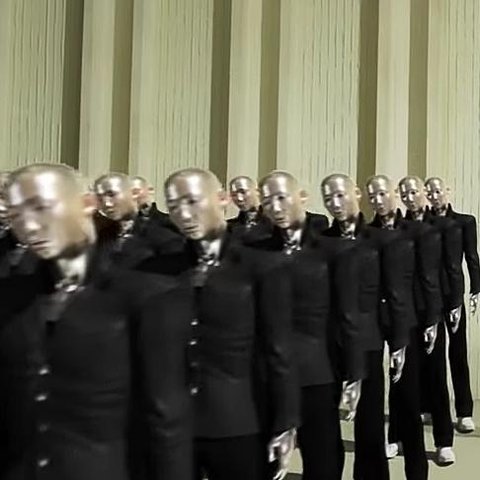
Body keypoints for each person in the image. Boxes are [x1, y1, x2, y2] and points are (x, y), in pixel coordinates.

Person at [0, 164, 193, 480]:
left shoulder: (144, 297)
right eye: (16, 214)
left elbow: (166, 416)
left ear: (87, 203)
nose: (29, 226)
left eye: (41, 207)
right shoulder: (10, 297)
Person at [164, 167, 298, 480]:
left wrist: (285, 421)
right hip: (172, 425)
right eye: (173, 206)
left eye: (192, 201)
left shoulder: (261, 267)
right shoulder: (160, 269)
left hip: (238, 421)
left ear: (222, 199)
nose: (184, 214)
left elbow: (278, 348)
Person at [243, 170, 364, 480]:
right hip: (265, 371)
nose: (275, 207)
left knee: (322, 455)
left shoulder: (334, 251)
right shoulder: (251, 251)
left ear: (302, 198)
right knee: (265, 456)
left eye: (282, 197)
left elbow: (347, 316)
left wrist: (354, 374)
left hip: (316, 372)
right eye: (267, 200)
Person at [321, 173, 412, 480]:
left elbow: (396, 293)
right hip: (328, 342)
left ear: (356, 194)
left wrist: (399, 342)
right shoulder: (320, 242)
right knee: (324, 423)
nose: (335, 203)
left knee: (370, 423)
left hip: (368, 341)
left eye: (340, 195)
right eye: (328, 198)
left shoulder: (381, 240)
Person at [366, 175, 428, 480]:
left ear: (393, 193)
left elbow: (424, 277)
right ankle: (384, 450)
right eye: (372, 196)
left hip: (406, 319)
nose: (377, 200)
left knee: (408, 395)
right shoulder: (365, 234)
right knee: (372, 397)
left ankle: (417, 470)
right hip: (372, 321)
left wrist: (428, 318)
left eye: (382, 193)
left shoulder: (414, 232)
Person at [399, 175, 461, 466]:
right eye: (405, 193)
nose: (410, 198)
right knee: (403, 379)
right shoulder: (397, 228)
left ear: (423, 193)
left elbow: (451, 268)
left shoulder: (442, 226)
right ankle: (401, 436)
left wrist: (451, 305)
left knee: (436, 375)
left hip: (431, 309)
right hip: (404, 312)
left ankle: (444, 440)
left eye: (414, 192)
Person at [425, 176, 480, 433]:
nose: (434, 196)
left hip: (454, 294)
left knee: (458, 352)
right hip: (428, 296)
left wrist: (476, 289)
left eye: (438, 191)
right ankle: (430, 406)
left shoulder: (464, 221)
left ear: (447, 191)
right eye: (430, 192)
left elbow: (472, 256)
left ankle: (464, 411)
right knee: (431, 353)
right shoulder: (421, 222)